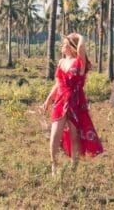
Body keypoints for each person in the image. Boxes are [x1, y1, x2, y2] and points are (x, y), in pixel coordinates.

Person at [42, 31, 104, 174]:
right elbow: (58, 84)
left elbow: (81, 48)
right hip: (60, 101)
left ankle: (73, 167)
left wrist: (80, 37)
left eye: (65, 44)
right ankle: (54, 166)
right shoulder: (61, 62)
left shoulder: (79, 62)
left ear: (72, 46)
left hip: (75, 102)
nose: (62, 46)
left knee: (75, 137)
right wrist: (48, 99)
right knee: (54, 134)